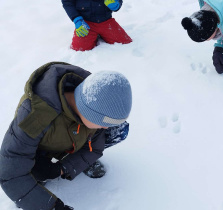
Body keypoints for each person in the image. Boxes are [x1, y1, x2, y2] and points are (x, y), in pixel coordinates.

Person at [0, 62, 132, 209]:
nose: (106, 128)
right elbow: (9, 173)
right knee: (30, 175)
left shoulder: (92, 105)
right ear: (89, 111)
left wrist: (63, 168)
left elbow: (94, 147)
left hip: (72, 137)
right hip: (39, 148)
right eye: (103, 122)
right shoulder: (35, 115)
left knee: (119, 131)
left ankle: (80, 162)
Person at [62, 0, 132, 51]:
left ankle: (101, 35)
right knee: (79, 49)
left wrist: (117, 4)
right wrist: (76, 19)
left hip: (106, 21)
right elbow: (67, 2)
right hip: (86, 22)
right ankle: (93, 36)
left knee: (125, 43)